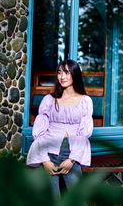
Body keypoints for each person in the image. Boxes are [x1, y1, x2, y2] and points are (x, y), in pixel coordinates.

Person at [26, 59, 93, 197]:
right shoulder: (49, 100)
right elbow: (40, 134)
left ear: (75, 74)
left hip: (71, 155)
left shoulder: (85, 101)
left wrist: (72, 160)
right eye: (59, 72)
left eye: (67, 72)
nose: (62, 77)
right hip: (49, 155)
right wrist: (44, 160)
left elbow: (83, 134)